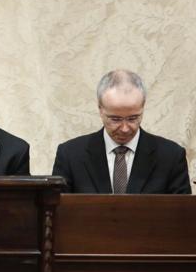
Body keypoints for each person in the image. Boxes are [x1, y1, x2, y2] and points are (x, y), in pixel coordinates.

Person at [52, 69, 191, 194]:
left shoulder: (171, 156)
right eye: (115, 119)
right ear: (100, 109)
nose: (125, 128)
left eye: (133, 118)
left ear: (143, 108)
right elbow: (55, 213)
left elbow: (182, 217)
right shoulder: (70, 155)